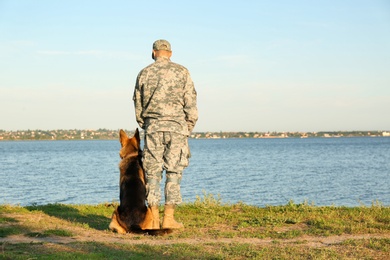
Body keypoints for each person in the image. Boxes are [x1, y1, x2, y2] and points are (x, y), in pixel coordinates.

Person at [133, 39, 198, 229]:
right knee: (174, 171)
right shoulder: (182, 72)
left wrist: (146, 124)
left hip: (153, 127)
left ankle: (152, 219)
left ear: (154, 53)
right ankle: (168, 218)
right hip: (177, 127)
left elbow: (138, 105)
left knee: (152, 172)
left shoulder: (144, 73)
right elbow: (191, 104)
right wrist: (186, 126)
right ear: (170, 53)